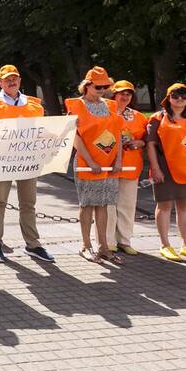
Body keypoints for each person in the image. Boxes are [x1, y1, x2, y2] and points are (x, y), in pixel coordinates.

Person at [0, 64, 55, 263]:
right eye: (7, 79)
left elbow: (42, 131)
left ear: (20, 80)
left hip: (28, 160)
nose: (11, 81)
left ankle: (33, 245)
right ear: (0, 82)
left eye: (14, 78)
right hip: (3, 161)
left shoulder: (34, 103)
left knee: (28, 203)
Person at [145, 83, 186, 262]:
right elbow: (150, 145)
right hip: (165, 169)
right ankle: (165, 245)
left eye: (184, 95)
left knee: (185, 207)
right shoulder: (157, 118)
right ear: (168, 98)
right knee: (164, 206)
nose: (180, 99)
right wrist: (156, 168)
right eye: (175, 95)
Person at [66, 67, 124, 264]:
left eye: (106, 86)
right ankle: (85, 245)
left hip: (108, 164)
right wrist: (90, 161)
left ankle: (104, 247)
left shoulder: (111, 105)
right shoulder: (77, 106)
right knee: (87, 204)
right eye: (98, 86)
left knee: (104, 205)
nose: (102, 89)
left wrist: (118, 160)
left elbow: (117, 135)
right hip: (86, 163)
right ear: (87, 85)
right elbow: (74, 136)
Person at [105, 80, 147, 256]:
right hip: (109, 165)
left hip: (131, 166)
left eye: (128, 94)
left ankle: (124, 240)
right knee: (108, 205)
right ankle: (108, 241)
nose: (124, 96)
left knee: (127, 205)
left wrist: (139, 142)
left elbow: (147, 140)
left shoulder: (139, 116)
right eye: (121, 93)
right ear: (114, 95)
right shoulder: (104, 112)